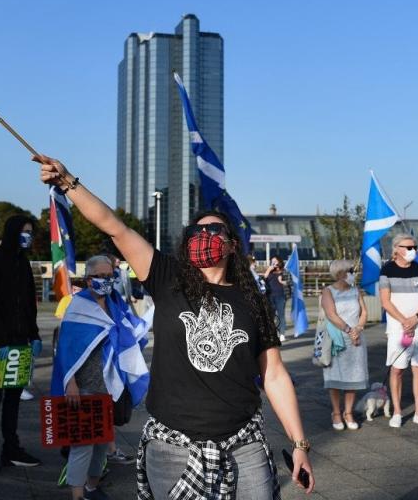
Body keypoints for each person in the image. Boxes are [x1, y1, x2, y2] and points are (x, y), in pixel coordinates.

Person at [38, 154, 315, 497]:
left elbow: (273, 375)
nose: (204, 235)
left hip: (245, 444)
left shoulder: (252, 299)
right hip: (172, 447)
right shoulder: (168, 277)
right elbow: (114, 226)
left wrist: (300, 443)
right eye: (197, 231)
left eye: (214, 230)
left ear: (230, 244)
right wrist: (68, 183)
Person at [53, 254, 150, 500]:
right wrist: (70, 384)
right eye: (100, 277)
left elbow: (131, 331)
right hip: (84, 386)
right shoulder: (78, 307)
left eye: (110, 276)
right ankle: (77, 494)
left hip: (109, 387)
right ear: (88, 280)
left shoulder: (116, 304)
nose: (106, 281)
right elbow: (65, 349)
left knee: (102, 442)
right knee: (83, 444)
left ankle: (92, 487)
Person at [0, 215, 43, 479]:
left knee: (15, 398)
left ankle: (11, 449)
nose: (28, 236)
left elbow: (29, 303)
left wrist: (34, 335)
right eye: (24, 231)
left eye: (31, 232)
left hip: (21, 341)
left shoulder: (23, 263)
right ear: (13, 231)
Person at [379, 234, 418, 429]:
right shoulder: (386, 270)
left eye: (414, 247)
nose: (413, 250)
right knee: (397, 370)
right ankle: (397, 412)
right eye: (408, 247)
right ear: (396, 249)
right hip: (398, 330)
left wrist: (416, 318)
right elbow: (385, 301)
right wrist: (404, 321)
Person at [319, 259, 368, 431]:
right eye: (350, 271)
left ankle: (348, 412)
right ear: (340, 273)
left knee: (353, 377)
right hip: (336, 340)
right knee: (335, 378)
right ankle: (336, 412)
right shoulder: (328, 291)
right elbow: (331, 314)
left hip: (356, 339)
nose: (353, 274)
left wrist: (359, 329)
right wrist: (349, 330)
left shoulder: (356, 290)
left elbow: (364, 312)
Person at [263, 256, 288, 342]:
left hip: (280, 296)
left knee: (281, 315)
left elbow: (290, 282)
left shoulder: (284, 271)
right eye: (272, 261)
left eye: (275, 261)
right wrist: (268, 270)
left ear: (279, 262)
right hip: (270, 296)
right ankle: (272, 334)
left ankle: (282, 334)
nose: (273, 262)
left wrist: (282, 281)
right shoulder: (270, 271)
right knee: (271, 316)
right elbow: (263, 280)